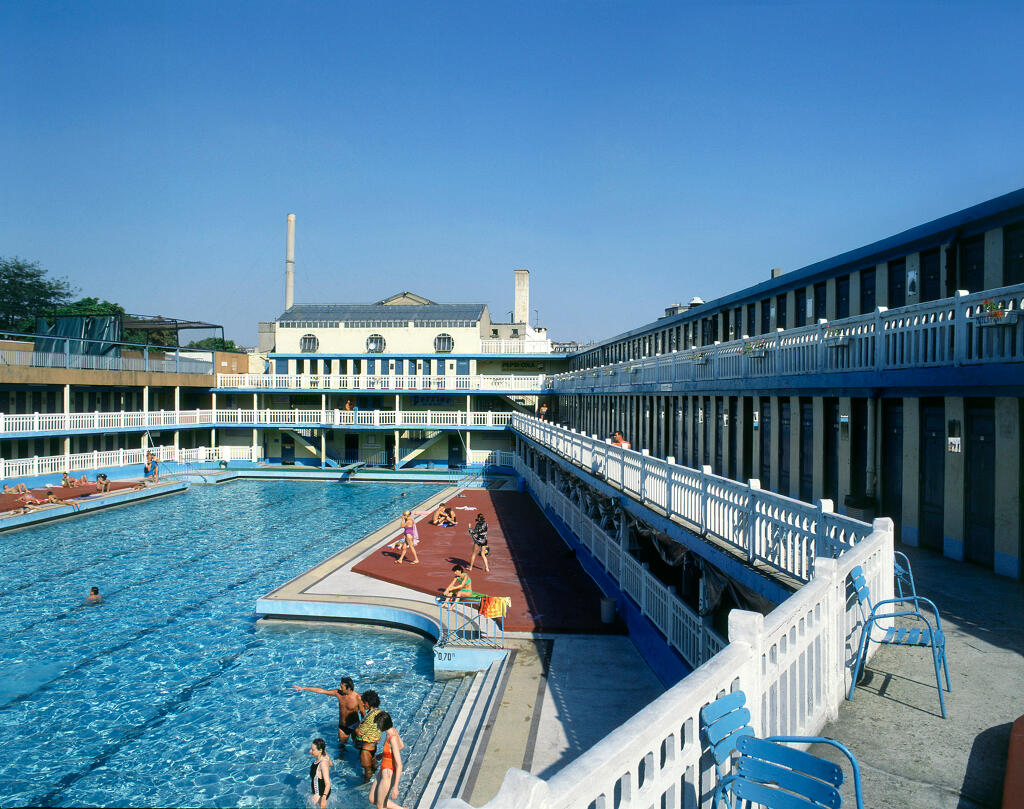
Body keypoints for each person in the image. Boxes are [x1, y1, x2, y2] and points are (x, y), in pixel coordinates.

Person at [294, 676, 363, 751]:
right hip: (342, 726)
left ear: (348, 688)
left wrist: (363, 727)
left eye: (342, 687)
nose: (340, 688)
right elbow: (322, 691)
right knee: (341, 746)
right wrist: (303, 688)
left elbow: (363, 712)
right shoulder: (338, 693)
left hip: (354, 726)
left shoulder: (357, 697)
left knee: (358, 746)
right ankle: (340, 760)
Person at [368, 712, 406, 809]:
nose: (377, 726)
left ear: (382, 725)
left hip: (387, 775)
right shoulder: (393, 731)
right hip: (383, 771)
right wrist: (384, 754)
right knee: (372, 798)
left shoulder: (392, 739)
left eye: (377, 724)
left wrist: (396, 787)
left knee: (381, 806)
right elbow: (401, 746)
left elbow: (399, 764)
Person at [353, 689, 382, 783]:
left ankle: (366, 785)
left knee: (367, 771)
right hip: (373, 745)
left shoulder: (371, 717)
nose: (362, 704)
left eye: (364, 702)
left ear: (369, 703)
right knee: (372, 766)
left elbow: (360, 732)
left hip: (366, 749)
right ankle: (375, 777)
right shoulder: (379, 712)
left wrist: (356, 729)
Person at [308, 737, 332, 809]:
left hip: (319, 795)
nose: (310, 751)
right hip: (320, 792)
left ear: (320, 750)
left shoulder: (322, 764)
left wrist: (323, 798)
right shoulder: (324, 757)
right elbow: (331, 764)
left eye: (313, 750)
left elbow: (328, 783)